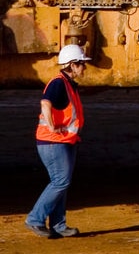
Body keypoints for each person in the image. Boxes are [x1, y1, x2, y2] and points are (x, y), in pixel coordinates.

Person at [25, 44, 91, 238]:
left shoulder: (68, 84)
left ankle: (59, 226)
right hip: (53, 140)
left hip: (64, 140)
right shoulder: (59, 83)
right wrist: (53, 126)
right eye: (81, 65)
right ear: (72, 65)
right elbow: (45, 103)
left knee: (61, 182)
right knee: (61, 181)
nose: (84, 68)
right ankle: (35, 219)